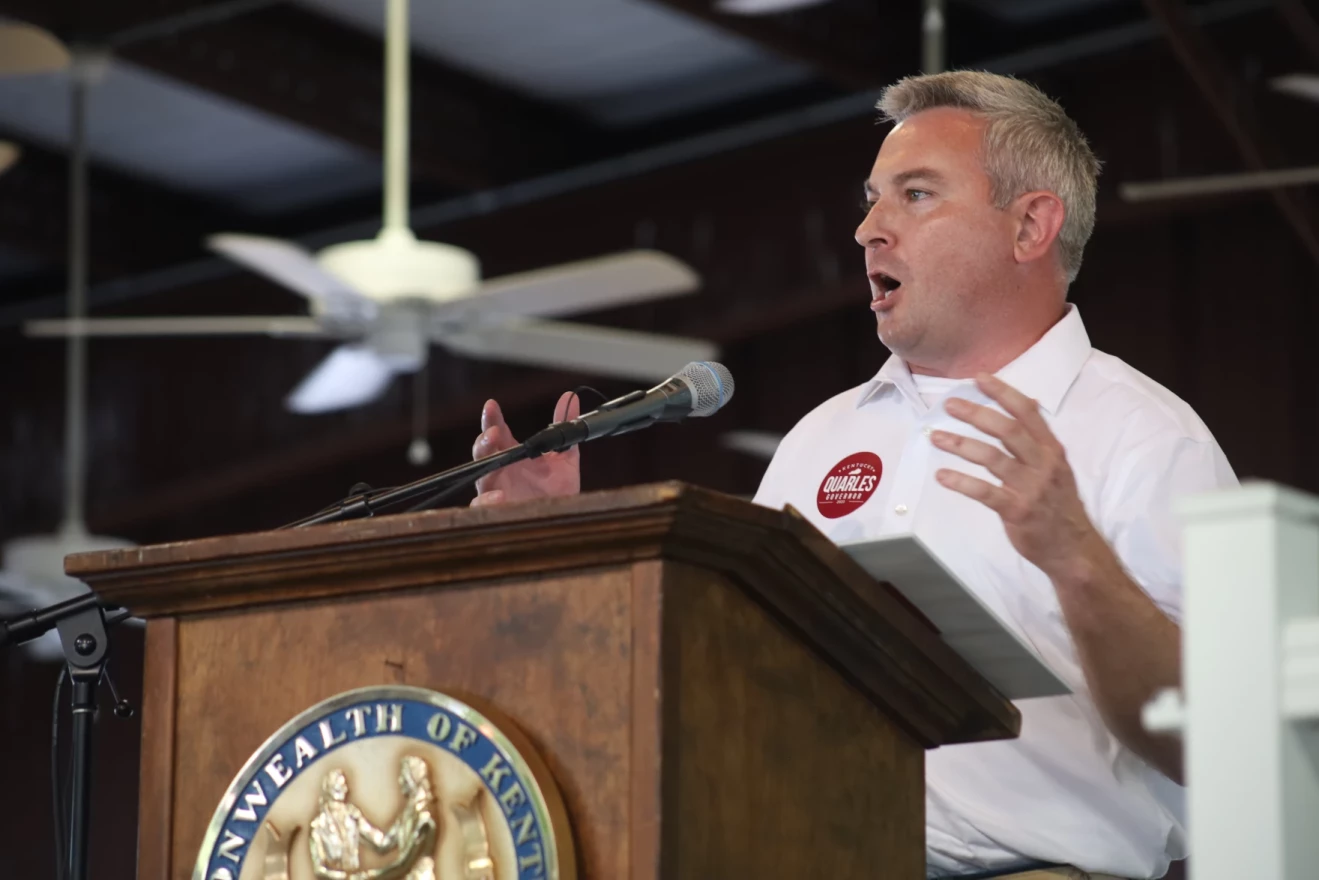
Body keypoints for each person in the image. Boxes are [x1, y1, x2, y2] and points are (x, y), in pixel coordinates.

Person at [469, 70, 1236, 880]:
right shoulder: (822, 437)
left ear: (1029, 225)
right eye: (871, 198)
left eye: (914, 194)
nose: (869, 228)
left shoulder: (1143, 438)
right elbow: (720, 663)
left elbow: (1214, 746)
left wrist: (1075, 558)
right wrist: (557, 548)